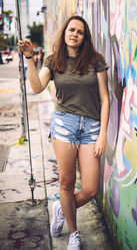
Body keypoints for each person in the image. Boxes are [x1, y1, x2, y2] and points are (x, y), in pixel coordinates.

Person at [18, 15, 110, 250]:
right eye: (71, 29)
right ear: (65, 32)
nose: (75, 34)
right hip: (64, 125)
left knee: (90, 189)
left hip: (91, 127)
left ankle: (61, 208)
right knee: (66, 184)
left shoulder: (95, 61)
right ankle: (74, 234)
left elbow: (105, 99)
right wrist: (30, 59)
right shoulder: (54, 60)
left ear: (84, 36)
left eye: (80, 31)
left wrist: (102, 135)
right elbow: (37, 88)